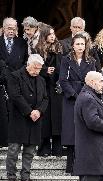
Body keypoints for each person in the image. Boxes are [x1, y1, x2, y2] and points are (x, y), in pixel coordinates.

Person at [5, 54, 48, 181]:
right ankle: (11, 175)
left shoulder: (41, 80)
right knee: (13, 150)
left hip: (35, 120)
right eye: (35, 68)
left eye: (39, 69)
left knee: (29, 152)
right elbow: (15, 96)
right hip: (19, 118)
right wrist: (30, 112)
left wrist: (39, 111)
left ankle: (25, 176)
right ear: (28, 64)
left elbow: (45, 99)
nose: (37, 71)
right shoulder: (15, 76)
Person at [59, 33, 96, 174]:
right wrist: (74, 95)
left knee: (85, 130)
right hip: (71, 99)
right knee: (71, 131)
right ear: (73, 46)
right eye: (78, 44)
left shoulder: (91, 61)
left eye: (82, 44)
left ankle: (83, 166)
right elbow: (63, 80)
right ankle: (70, 166)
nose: (80, 46)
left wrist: (86, 95)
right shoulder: (66, 60)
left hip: (86, 97)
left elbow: (93, 79)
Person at [73, 71, 103, 181]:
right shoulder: (88, 98)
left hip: (93, 152)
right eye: (101, 81)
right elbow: (93, 121)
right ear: (92, 82)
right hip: (92, 152)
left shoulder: (89, 96)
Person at [34, 24, 63, 157]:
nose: (53, 36)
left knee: (56, 117)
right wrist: (45, 70)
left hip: (56, 88)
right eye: (50, 34)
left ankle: (57, 147)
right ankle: (44, 147)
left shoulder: (59, 49)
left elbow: (63, 67)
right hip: (43, 88)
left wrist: (56, 72)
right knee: (44, 117)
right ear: (44, 36)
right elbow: (33, 68)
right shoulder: (37, 50)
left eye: (53, 34)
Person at [0, 17, 28, 147]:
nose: (11, 31)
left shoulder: (22, 43)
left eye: (14, 28)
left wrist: (18, 75)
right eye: (9, 28)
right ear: (3, 28)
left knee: (16, 111)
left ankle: (17, 139)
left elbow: (25, 62)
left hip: (17, 81)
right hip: (1, 82)